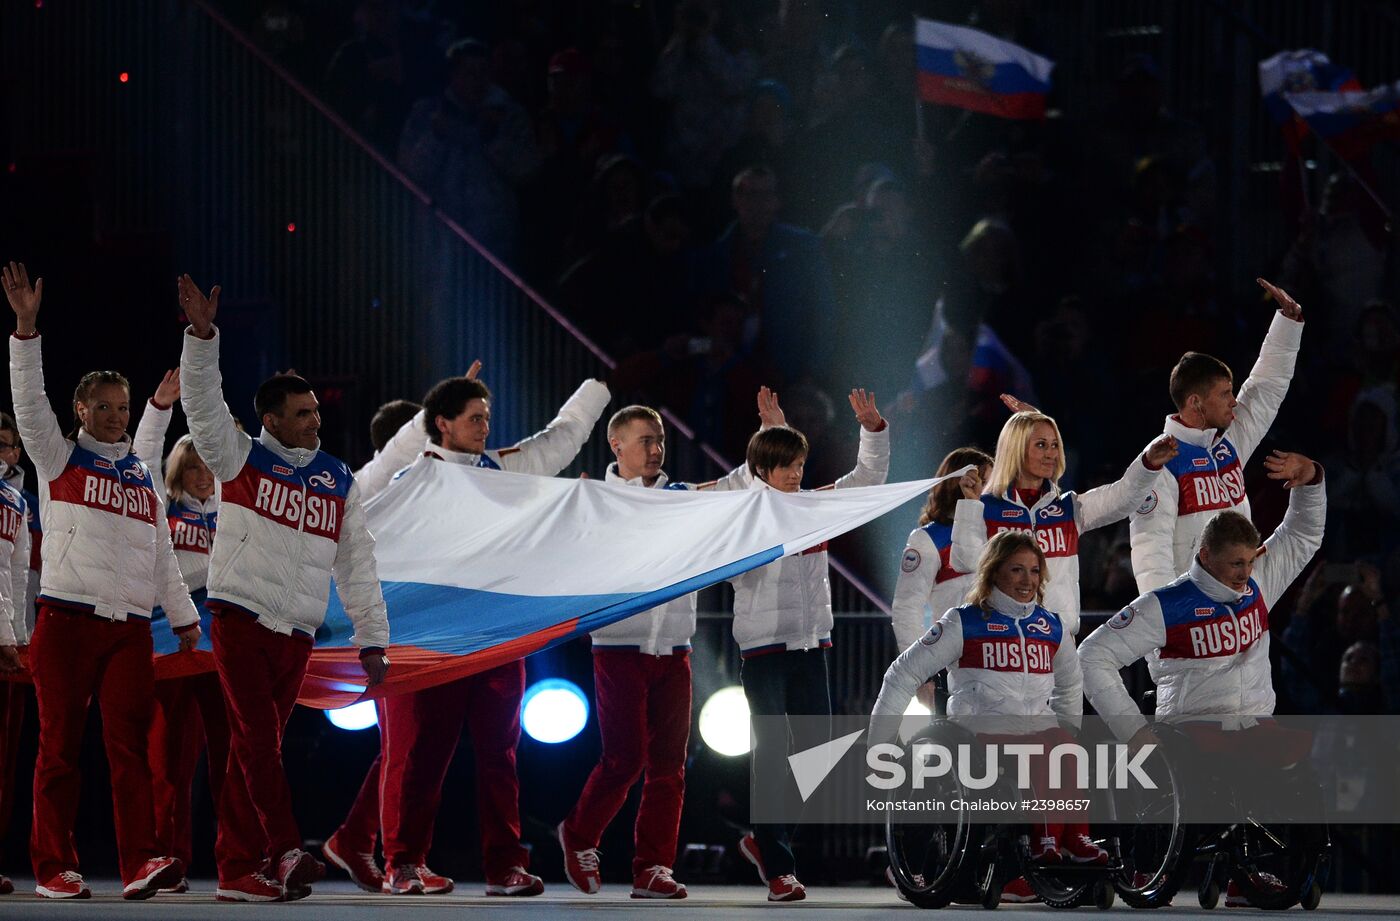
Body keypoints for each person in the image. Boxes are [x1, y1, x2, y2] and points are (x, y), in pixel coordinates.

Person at [176, 274, 390, 902]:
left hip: (296, 632)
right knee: (254, 743)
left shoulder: (336, 477)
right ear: (269, 419)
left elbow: (357, 563)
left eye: (317, 410)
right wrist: (201, 336)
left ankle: (241, 871)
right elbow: (202, 402)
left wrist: (372, 640)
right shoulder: (237, 457)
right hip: (239, 619)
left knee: (255, 750)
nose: (314, 420)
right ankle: (284, 850)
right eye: (302, 414)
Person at [4, 261, 196, 900]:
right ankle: (53, 867)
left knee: (130, 753)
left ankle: (141, 861)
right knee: (58, 752)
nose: (115, 415)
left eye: (123, 406)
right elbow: (29, 405)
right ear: (81, 408)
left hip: (130, 631)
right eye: (104, 406)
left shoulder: (142, 476)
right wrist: (26, 333)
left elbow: (161, 550)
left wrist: (184, 615)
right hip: (64, 622)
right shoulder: (57, 456)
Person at [376, 370, 609, 897]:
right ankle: (403, 863)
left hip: (498, 637)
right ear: (442, 424)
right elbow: (368, 546)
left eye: (487, 417)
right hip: (428, 639)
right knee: (420, 757)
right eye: (475, 418)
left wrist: (596, 387)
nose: (485, 426)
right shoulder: (409, 481)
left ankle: (505, 866)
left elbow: (562, 441)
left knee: (500, 756)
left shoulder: (501, 469)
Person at [1079, 451, 1324, 908]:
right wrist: (1133, 731)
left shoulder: (1257, 585)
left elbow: (1304, 535)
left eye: (1250, 562)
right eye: (1235, 564)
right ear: (1205, 555)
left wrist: (1312, 481)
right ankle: (1148, 865)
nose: (1245, 574)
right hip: (1190, 730)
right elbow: (1091, 657)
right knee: (1191, 772)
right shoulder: (1166, 604)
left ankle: (1247, 878)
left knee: (1300, 766)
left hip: (1253, 725)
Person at [557, 395, 768, 900]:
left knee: (670, 767)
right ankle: (579, 834)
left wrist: (765, 439)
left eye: (660, 441)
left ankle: (653, 867)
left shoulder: (681, 496)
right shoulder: (591, 499)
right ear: (617, 445)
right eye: (646, 441)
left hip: (675, 647)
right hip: (618, 646)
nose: (656, 449)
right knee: (624, 759)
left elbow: (737, 485)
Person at [872, 529, 1097, 905]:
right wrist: (879, 741)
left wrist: (1068, 730)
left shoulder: (1051, 626)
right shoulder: (964, 621)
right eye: (1016, 570)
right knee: (1049, 750)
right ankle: (1046, 844)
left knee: (1066, 746)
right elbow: (902, 673)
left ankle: (1072, 840)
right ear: (994, 573)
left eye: (1033, 570)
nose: (1027, 580)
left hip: (1036, 735)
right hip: (977, 736)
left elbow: (1071, 687)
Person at [734, 388, 889, 902]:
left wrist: (872, 431)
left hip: (811, 645)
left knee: (822, 753)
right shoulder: (745, 516)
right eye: (785, 466)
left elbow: (867, 481)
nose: (796, 474)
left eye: (799, 463)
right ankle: (780, 866)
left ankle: (764, 838)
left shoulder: (817, 508)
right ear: (762, 471)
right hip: (762, 648)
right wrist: (767, 435)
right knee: (775, 752)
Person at [1129, 278, 1304, 592]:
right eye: (1224, 393)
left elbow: (1262, 393)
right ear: (1196, 402)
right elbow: (1149, 550)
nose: (1233, 400)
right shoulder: (1160, 463)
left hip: (1238, 607)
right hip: (1194, 620)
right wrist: (1167, 624)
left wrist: (1287, 326)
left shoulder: (1227, 446)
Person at [321, 394, 424, 894]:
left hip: (427, 635)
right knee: (401, 749)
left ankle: (355, 838)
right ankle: (395, 859)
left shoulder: (429, 496)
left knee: (407, 749)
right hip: (385, 635)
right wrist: (440, 407)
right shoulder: (368, 484)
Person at [131, 371, 228, 894]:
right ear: (178, 471)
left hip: (224, 644)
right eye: (192, 467)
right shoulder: (162, 511)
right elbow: (141, 467)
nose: (202, 475)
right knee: (169, 757)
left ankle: (239, 857)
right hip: (171, 638)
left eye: (209, 465)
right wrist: (159, 409)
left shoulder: (235, 512)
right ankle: (171, 858)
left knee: (231, 753)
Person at [950, 409, 1177, 635]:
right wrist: (970, 506)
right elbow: (965, 563)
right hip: (1001, 639)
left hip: (1057, 643)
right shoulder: (984, 507)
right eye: (1041, 445)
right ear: (1016, 448)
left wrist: (1147, 464)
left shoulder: (1069, 507)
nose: (1051, 453)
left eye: (1054, 445)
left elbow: (1121, 497)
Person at [889, 448, 994, 714]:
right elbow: (907, 608)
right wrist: (919, 674)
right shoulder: (928, 539)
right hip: (954, 664)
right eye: (984, 482)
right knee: (952, 751)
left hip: (1002, 660)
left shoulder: (1003, 533)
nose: (991, 491)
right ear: (959, 484)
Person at [0, 412, 31, 897]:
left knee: (4, 762)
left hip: (9, 641)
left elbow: (19, 575)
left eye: (5, 445)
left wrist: (19, 636)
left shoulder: (17, 500)